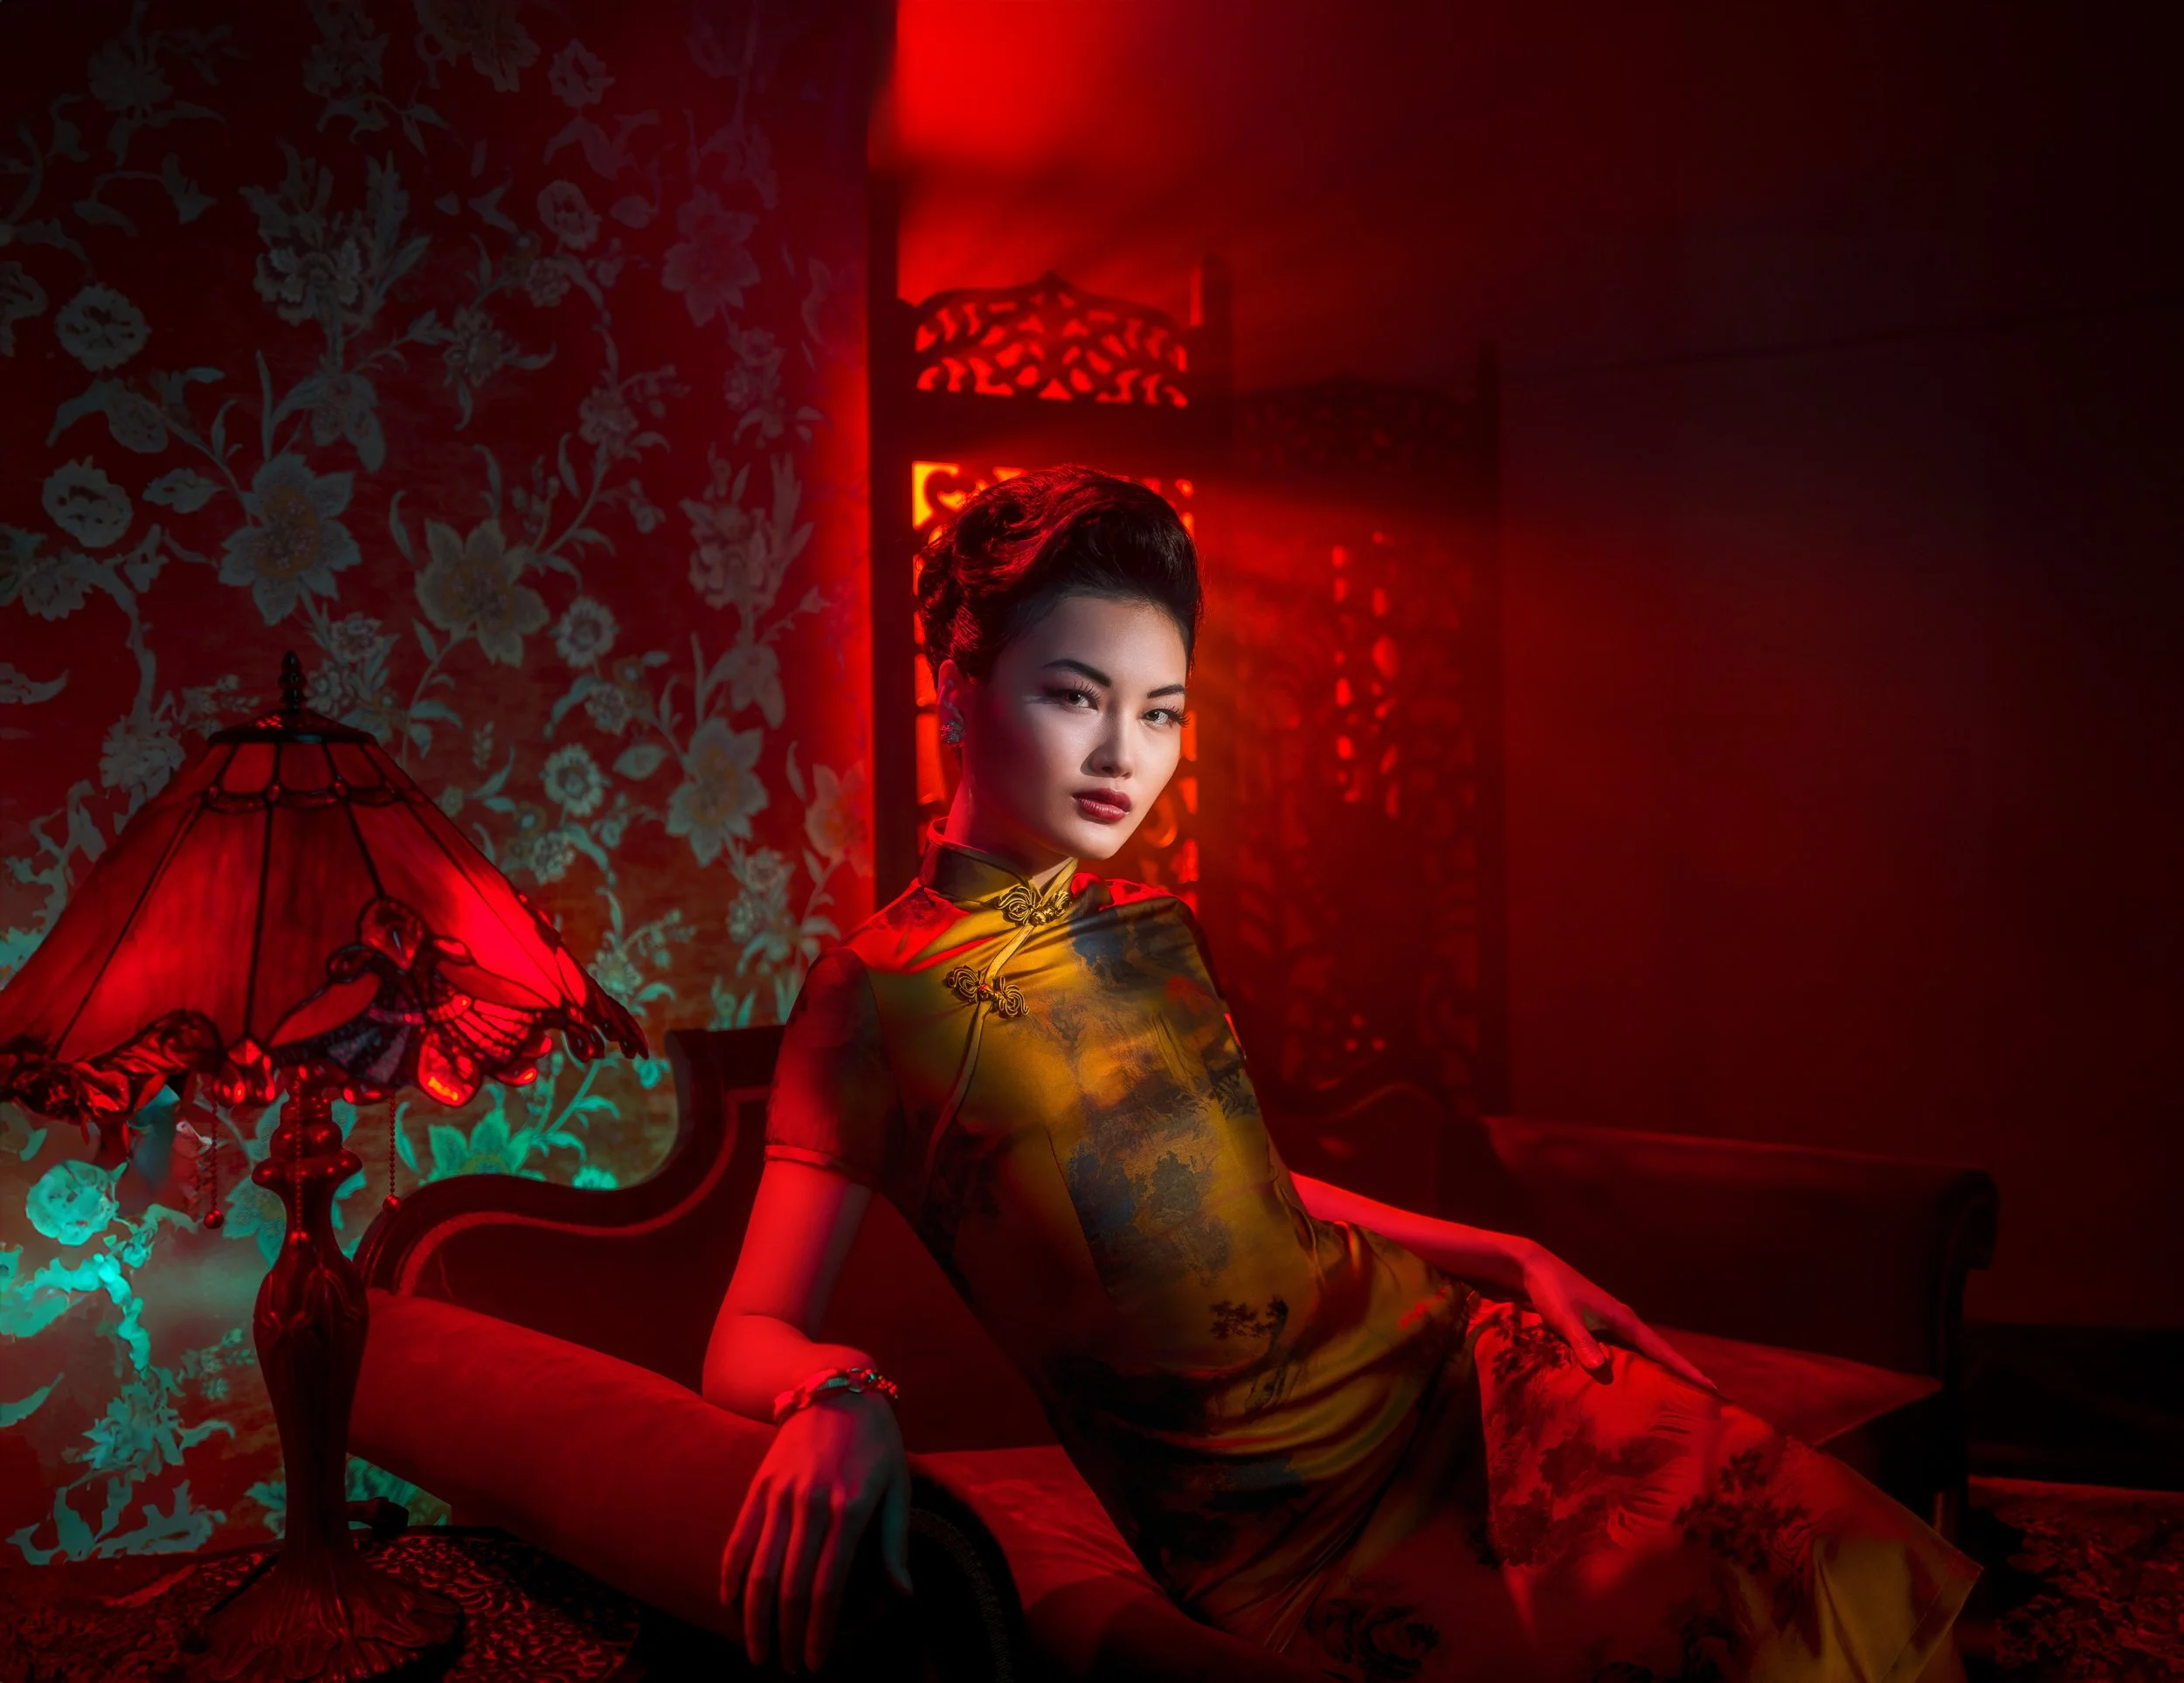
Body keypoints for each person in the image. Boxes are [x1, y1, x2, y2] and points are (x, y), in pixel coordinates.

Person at [701, 467, 1977, 1680]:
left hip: (1441, 1365)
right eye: (1075, 695)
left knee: (1836, 1573)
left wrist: (1500, 1252)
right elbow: (745, 1331)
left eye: (1160, 712)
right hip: (1278, 1527)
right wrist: (838, 1393)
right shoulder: (875, 994)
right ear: (957, 690)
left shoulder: (1152, 924)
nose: (1123, 759)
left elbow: (1243, 1188)